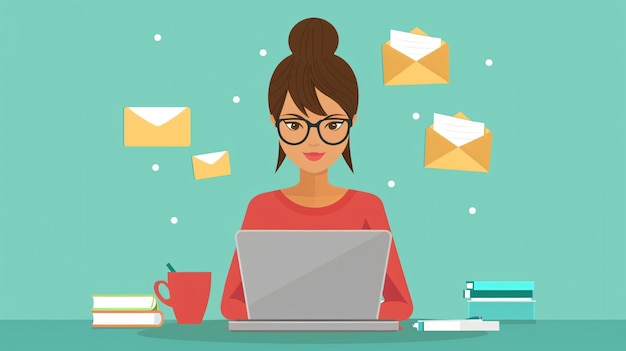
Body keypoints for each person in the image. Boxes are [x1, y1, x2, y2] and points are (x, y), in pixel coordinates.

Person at [221, 17, 413, 323]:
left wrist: (341, 317)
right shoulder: (262, 208)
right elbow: (231, 304)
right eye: (295, 125)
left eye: (332, 125)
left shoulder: (369, 208)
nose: (314, 140)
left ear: (352, 122)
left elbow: (401, 304)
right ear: (275, 124)